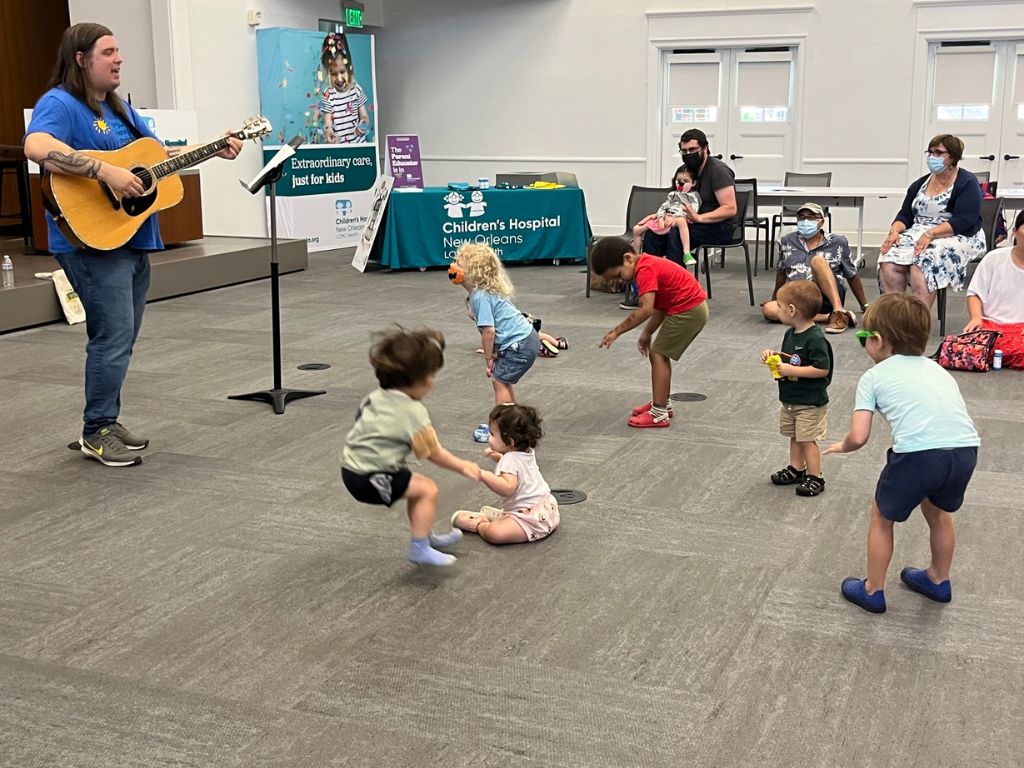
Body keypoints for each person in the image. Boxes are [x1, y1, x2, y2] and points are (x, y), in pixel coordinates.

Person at [23, 23, 242, 467]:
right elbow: (36, 145)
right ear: (81, 59)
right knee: (113, 335)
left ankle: (106, 417)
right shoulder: (61, 104)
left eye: (119, 50)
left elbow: (159, 159)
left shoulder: (122, 109)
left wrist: (215, 147)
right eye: (108, 52)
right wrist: (106, 173)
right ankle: (96, 430)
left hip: (131, 237)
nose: (119, 58)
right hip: (91, 243)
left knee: (122, 336)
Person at [824, 294, 980, 614]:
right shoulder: (938, 370)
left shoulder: (873, 377)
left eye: (863, 338)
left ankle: (872, 589)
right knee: (938, 514)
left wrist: (842, 445)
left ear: (878, 340)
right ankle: (938, 579)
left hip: (919, 457)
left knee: (881, 518)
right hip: (965, 451)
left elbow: (859, 435)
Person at [341, 327, 481, 568]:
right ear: (415, 381)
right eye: (430, 377)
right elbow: (433, 453)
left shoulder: (375, 396)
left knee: (417, 487)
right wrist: (463, 466)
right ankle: (419, 548)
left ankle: (424, 536)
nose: (433, 383)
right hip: (372, 477)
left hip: (350, 469)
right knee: (428, 490)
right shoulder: (413, 412)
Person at [591, 237, 709, 428]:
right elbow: (660, 307)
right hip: (690, 308)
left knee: (658, 353)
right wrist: (647, 333)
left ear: (628, 259)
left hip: (689, 310)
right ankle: (662, 403)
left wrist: (616, 332)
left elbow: (646, 309)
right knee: (659, 353)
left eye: (619, 275)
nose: (621, 280)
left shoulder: (644, 270)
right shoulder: (647, 264)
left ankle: (659, 412)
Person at [878, 134, 985, 308]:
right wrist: (894, 232)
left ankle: (917, 325)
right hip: (919, 232)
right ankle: (895, 318)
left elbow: (965, 219)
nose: (932, 157)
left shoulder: (967, 181)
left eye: (938, 152)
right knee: (889, 257)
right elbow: (905, 214)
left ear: (953, 157)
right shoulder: (920, 184)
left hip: (957, 233)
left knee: (923, 262)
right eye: (930, 152)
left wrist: (931, 233)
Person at [759, 281, 834, 497]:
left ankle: (815, 476)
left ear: (792, 310)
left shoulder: (816, 338)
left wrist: (790, 369)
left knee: (807, 439)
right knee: (794, 435)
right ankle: (797, 469)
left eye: (780, 307)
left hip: (810, 401)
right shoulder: (791, 333)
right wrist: (774, 355)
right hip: (791, 398)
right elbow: (794, 359)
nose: (777, 310)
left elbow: (821, 369)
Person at [452, 403, 560, 544]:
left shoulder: (509, 459)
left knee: (494, 534)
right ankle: (505, 518)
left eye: (492, 434)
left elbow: (507, 487)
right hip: (547, 509)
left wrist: (482, 474)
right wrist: (497, 455)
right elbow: (517, 469)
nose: (489, 438)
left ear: (509, 441)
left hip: (528, 520)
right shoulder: (526, 452)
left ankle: (479, 523)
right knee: (507, 525)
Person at [448, 244, 539, 410]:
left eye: (460, 265)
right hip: (525, 339)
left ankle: (502, 424)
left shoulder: (480, 297)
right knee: (503, 381)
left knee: (499, 382)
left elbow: (489, 332)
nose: (453, 267)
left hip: (519, 344)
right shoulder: (484, 292)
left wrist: (489, 358)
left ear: (474, 272)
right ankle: (511, 418)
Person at [761, 202, 867, 334]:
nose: (805, 221)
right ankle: (828, 317)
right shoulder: (787, 241)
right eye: (802, 217)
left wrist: (864, 305)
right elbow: (782, 272)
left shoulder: (837, 242)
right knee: (768, 309)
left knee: (817, 261)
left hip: (826, 296)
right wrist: (776, 299)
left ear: (821, 222)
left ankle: (838, 311)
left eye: (811, 217)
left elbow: (852, 275)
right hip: (799, 297)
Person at [963, 209, 1024, 368]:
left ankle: (998, 356)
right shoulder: (994, 259)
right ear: (1015, 232)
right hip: (992, 326)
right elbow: (974, 294)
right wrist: (976, 318)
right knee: (974, 347)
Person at [632, 164, 700, 267]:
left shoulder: (694, 196)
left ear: (693, 183)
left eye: (685, 181)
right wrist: (660, 217)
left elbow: (692, 212)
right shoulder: (672, 194)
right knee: (637, 229)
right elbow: (663, 207)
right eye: (678, 181)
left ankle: (687, 253)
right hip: (664, 218)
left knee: (681, 221)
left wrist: (673, 217)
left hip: (678, 219)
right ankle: (637, 258)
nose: (681, 183)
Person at [320, 32, 369, 144]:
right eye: (333, 73)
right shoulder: (328, 95)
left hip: (359, 147)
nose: (339, 78)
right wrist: (329, 132)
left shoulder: (356, 90)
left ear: (349, 68)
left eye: (342, 72)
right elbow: (328, 124)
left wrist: (363, 125)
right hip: (341, 152)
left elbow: (365, 116)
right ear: (327, 72)